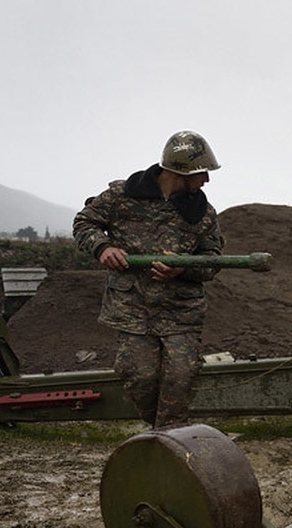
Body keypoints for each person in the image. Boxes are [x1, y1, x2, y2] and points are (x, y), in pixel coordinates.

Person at [72, 130, 224, 430]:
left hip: (181, 312)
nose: (207, 180)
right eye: (202, 172)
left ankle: (168, 442)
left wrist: (183, 269)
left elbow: (212, 259)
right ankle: (161, 432)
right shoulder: (121, 197)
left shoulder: (204, 214)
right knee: (139, 376)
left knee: (180, 378)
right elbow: (84, 222)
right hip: (133, 309)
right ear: (182, 170)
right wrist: (102, 247)